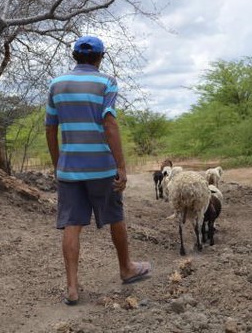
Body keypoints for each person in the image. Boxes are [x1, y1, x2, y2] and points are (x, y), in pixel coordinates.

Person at [45, 35, 151, 306]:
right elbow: (109, 124)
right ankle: (126, 268)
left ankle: (71, 288)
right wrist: (121, 166)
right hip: (102, 168)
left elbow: (50, 127)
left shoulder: (56, 85)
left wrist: (59, 163)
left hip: (70, 170)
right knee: (115, 215)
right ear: (100, 57)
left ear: (74, 57)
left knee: (72, 224)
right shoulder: (106, 82)